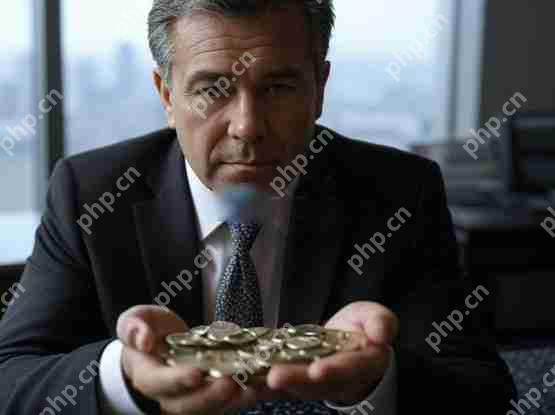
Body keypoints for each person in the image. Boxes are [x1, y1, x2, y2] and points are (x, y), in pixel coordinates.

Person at [0, 1, 515, 414]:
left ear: (319, 89)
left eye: (279, 87)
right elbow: (10, 379)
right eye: (212, 90)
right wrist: (126, 376)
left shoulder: (400, 193)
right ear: (166, 95)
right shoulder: (91, 194)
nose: (247, 126)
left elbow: (483, 391)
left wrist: (378, 379)